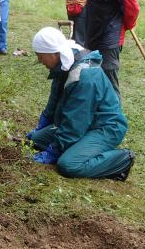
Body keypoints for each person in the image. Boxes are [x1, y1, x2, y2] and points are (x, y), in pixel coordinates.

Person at [26, 27, 135, 181]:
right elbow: (54, 100)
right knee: (37, 139)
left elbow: (75, 123)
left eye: (40, 56)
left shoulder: (85, 76)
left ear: (53, 53)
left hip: (105, 127)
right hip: (84, 123)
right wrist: (42, 125)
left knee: (68, 164)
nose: (39, 61)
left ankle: (122, 159)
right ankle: (78, 146)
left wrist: (54, 150)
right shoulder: (64, 62)